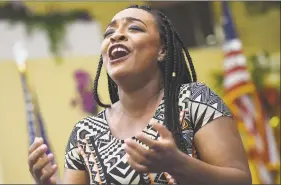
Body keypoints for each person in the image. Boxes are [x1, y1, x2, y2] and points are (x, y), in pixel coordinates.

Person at [28, 4, 252, 185]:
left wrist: (180, 165)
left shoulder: (195, 100)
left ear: (162, 50)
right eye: (109, 33)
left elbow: (241, 180)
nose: (116, 37)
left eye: (134, 28)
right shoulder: (84, 134)